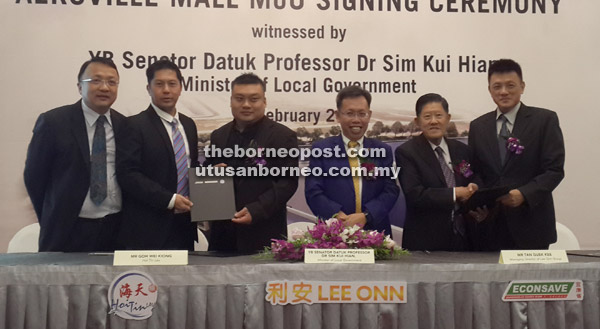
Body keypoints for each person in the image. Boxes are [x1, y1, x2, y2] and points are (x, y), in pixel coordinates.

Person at [24, 57, 126, 252]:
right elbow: (34, 177)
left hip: (115, 229)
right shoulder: (53, 122)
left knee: (112, 283)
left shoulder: (124, 125)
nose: (105, 87)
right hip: (67, 230)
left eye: (111, 82)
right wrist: (52, 214)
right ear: (80, 86)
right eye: (96, 80)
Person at [469, 59, 565, 250]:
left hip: (532, 225)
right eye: (497, 86)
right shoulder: (478, 126)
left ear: (522, 87)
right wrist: (475, 188)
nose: (504, 91)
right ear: (490, 90)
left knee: (530, 281)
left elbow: (554, 170)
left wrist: (524, 194)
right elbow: (476, 170)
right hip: (490, 227)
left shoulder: (544, 120)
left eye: (510, 85)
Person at [205, 73, 298, 253]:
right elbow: (209, 172)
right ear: (231, 101)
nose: (246, 105)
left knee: (267, 282)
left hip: (264, 230)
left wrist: (257, 210)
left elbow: (287, 183)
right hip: (223, 234)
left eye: (253, 99)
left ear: (264, 101)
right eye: (239, 99)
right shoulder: (219, 135)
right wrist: (209, 172)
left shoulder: (282, 136)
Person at [117, 59, 198, 250]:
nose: (166, 90)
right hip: (148, 228)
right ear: (149, 88)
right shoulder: (134, 125)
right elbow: (128, 174)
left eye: (172, 84)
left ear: (181, 87)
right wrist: (169, 200)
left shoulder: (189, 125)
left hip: (185, 225)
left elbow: (188, 168)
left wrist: (210, 174)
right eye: (159, 84)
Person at [305, 86, 399, 235]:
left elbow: (391, 190)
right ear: (338, 115)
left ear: (369, 115)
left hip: (375, 232)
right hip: (333, 232)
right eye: (349, 113)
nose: (356, 120)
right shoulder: (321, 149)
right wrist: (337, 216)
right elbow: (313, 191)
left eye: (362, 114)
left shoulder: (383, 150)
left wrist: (366, 216)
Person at [395, 93, 479, 251]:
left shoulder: (462, 150)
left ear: (448, 118)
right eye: (427, 116)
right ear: (417, 121)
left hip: (465, 238)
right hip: (426, 242)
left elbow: (474, 177)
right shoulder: (406, 152)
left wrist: (474, 188)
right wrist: (455, 193)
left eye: (439, 115)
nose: (434, 121)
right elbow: (415, 194)